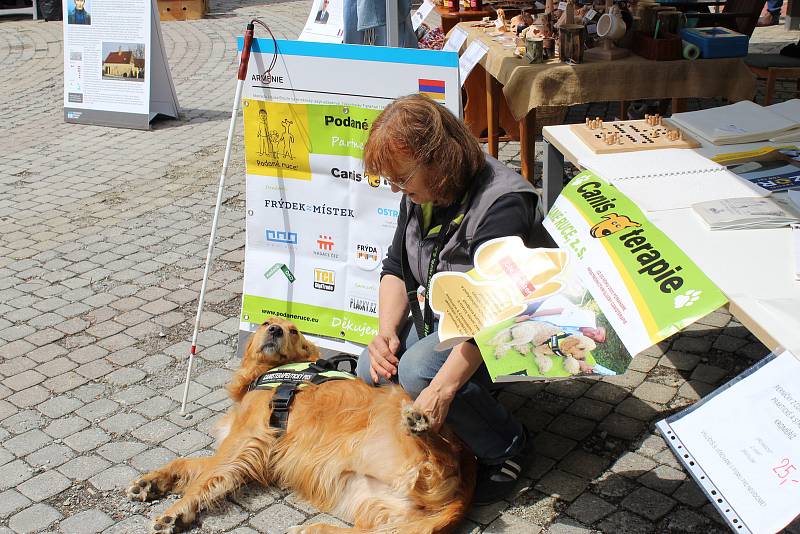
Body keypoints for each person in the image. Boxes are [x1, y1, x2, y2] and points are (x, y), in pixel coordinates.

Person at [357, 94, 552, 504]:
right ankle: (457, 418)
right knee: (370, 368)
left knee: (418, 371)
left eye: (402, 178)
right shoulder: (422, 193)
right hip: (449, 318)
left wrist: (442, 389)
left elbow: (498, 311)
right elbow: (395, 267)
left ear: (437, 161)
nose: (396, 188)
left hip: (508, 323)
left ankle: (508, 444)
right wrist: (384, 334)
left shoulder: (502, 203)